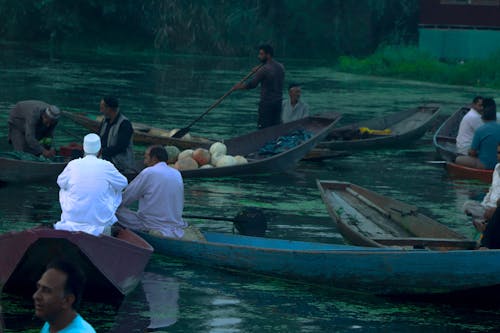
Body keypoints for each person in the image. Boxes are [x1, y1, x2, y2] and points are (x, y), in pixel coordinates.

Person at [116, 145, 204, 241]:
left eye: (146, 158)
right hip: (175, 223)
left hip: (150, 224)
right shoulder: (177, 173)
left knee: (114, 209)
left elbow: (127, 197)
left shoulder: (149, 172)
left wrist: (110, 203)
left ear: (154, 158)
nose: (144, 162)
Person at [54, 133, 128, 236]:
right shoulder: (106, 166)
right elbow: (123, 183)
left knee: (64, 188)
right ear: (100, 151)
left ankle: (72, 217)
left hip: (72, 219)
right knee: (114, 188)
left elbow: (60, 182)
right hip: (100, 220)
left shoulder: (73, 164)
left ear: (84, 149)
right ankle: (104, 221)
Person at [33, 260, 96, 333]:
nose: (36, 296)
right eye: (39, 287)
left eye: (47, 290)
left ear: (67, 300)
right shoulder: (52, 322)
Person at [232, 44, 285, 129]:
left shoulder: (264, 70)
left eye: (261, 54)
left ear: (268, 55)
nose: (259, 56)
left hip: (266, 104)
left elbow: (252, 84)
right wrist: (260, 69)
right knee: (275, 128)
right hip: (278, 103)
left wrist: (239, 87)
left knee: (263, 129)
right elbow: (270, 70)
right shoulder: (281, 67)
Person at [455, 98, 500, 170]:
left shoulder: (480, 130)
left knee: (458, 159)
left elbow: (472, 152)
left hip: (485, 164)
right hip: (498, 163)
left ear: (482, 117)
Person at [98, 96, 135, 173]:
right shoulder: (104, 121)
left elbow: (120, 147)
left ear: (109, 109)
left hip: (119, 161)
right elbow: (99, 138)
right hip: (105, 156)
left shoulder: (124, 124)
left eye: (102, 108)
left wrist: (102, 152)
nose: (100, 111)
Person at [463, 163, 500, 230]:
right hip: (488, 207)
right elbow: (491, 190)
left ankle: (485, 223)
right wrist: (483, 205)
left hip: (497, 209)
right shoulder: (497, 167)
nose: (498, 155)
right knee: (468, 205)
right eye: (498, 153)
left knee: (490, 214)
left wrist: (495, 210)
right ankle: (484, 221)